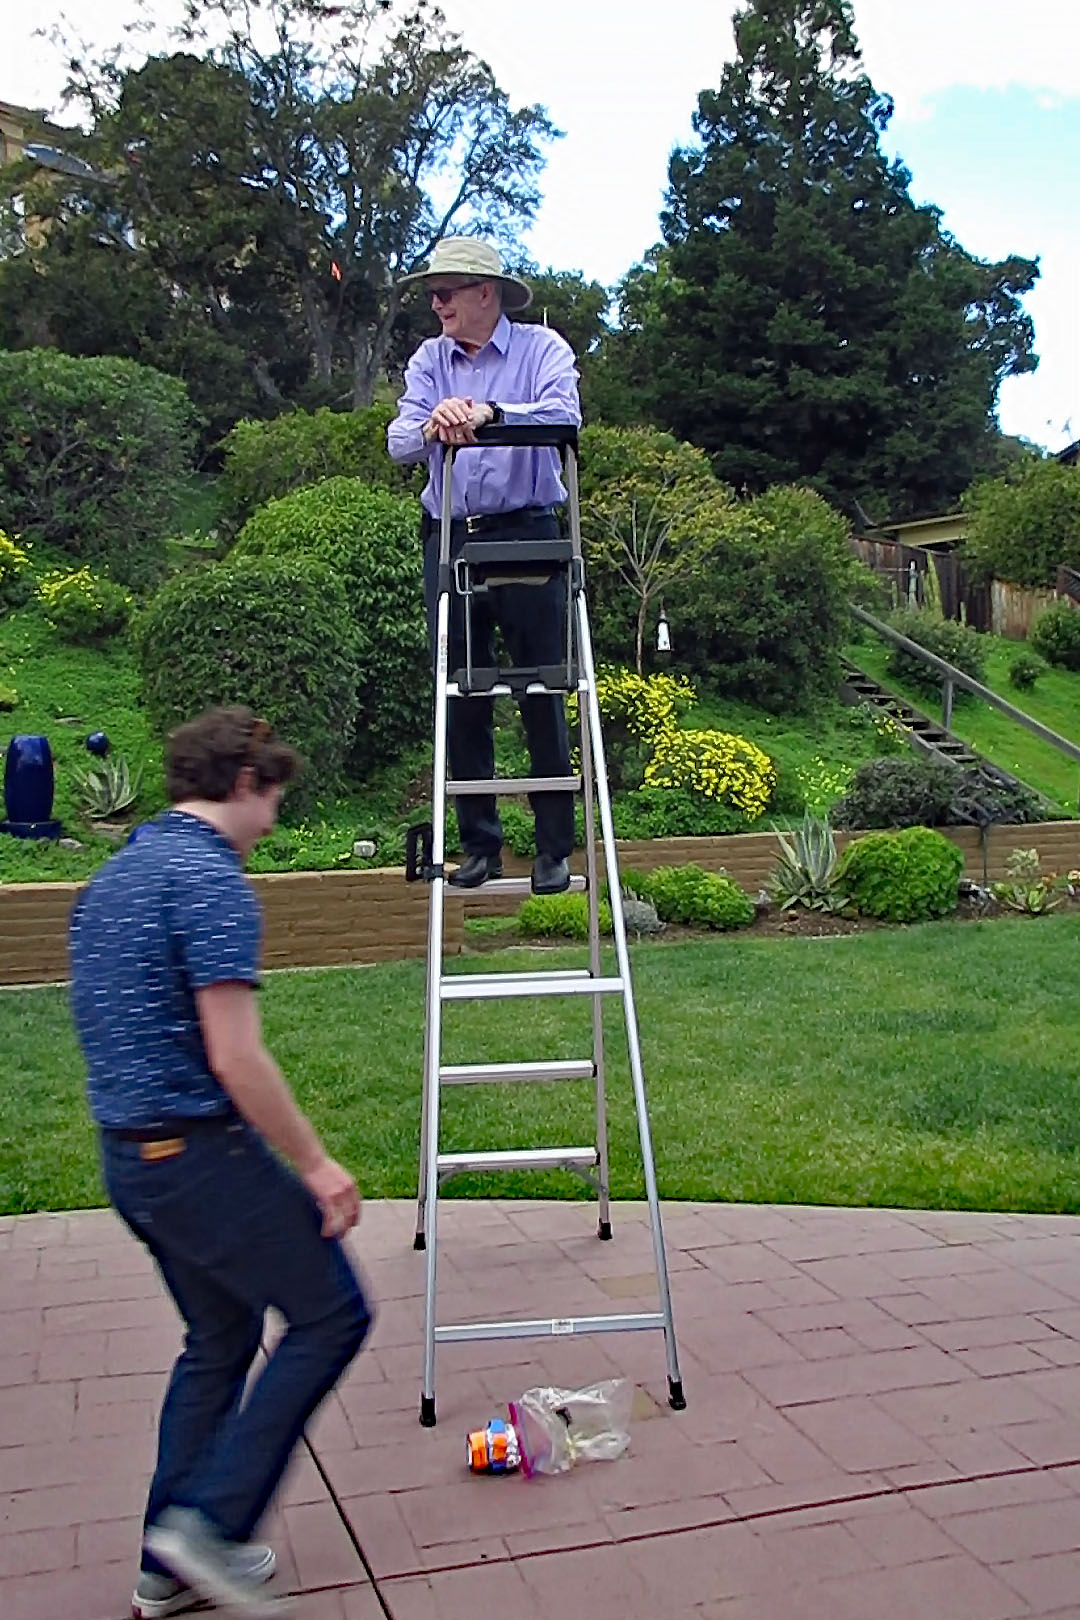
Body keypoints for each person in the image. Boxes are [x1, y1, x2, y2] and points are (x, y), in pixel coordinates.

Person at [68, 706, 372, 1619]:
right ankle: (211, 1526)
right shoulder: (210, 881)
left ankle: (164, 1569)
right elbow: (235, 1056)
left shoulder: (113, 879)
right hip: (199, 1155)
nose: (273, 821)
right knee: (332, 1314)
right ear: (244, 783)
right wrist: (316, 1163)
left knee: (222, 1336)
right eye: (273, 798)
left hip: (132, 1163)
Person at [388, 237, 582, 896]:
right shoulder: (428, 360)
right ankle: (479, 847)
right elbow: (398, 441)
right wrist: (434, 422)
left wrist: (492, 413)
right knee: (461, 692)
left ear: (485, 293)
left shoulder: (542, 349)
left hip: (527, 532)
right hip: (448, 538)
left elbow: (564, 416)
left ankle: (554, 850)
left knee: (542, 688)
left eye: (446, 292)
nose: (436, 304)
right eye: (432, 294)